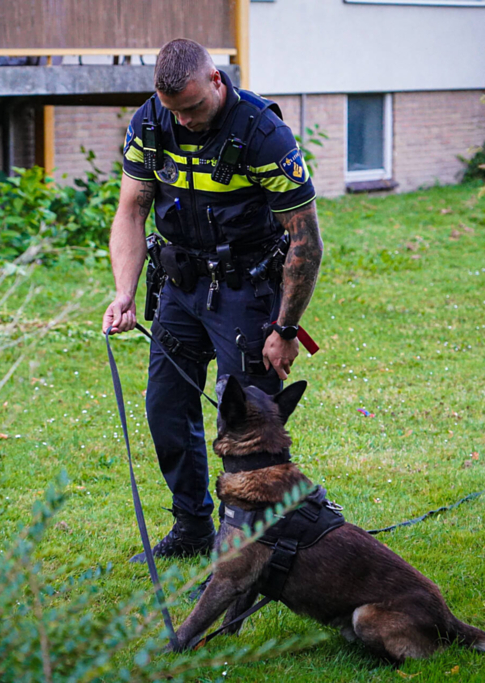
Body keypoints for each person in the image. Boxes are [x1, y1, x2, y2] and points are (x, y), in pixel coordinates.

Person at [102, 38, 323, 562]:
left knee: (252, 425)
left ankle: (261, 541)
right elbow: (131, 210)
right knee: (166, 409)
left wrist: (286, 329)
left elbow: (306, 240)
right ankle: (194, 527)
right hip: (179, 289)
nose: (187, 121)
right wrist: (124, 292)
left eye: (195, 107)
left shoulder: (262, 134)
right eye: (176, 110)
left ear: (217, 81)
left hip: (247, 292)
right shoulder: (152, 124)